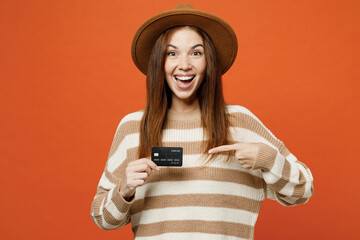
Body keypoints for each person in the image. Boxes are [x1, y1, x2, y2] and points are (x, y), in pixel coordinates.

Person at [90, 4, 314, 240]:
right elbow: (102, 218)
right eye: (172, 53)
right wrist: (123, 189)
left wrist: (267, 158)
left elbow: (303, 190)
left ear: (209, 62)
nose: (184, 64)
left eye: (196, 53)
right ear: (159, 61)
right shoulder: (132, 128)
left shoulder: (240, 123)